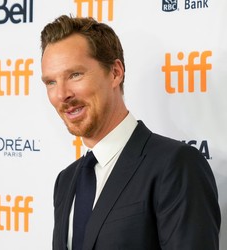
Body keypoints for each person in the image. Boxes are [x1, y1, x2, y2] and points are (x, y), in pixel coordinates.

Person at [40, 15, 220, 250]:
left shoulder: (175, 165)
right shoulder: (66, 181)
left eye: (75, 75)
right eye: (51, 82)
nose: (62, 94)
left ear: (115, 73)